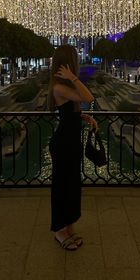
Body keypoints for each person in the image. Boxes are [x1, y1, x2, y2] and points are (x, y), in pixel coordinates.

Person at [47, 44, 97, 251]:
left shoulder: (63, 85)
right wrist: (73, 77)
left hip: (71, 141)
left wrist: (82, 117)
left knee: (72, 186)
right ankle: (60, 231)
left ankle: (70, 226)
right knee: (62, 187)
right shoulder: (59, 87)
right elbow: (89, 98)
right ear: (68, 63)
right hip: (63, 144)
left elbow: (69, 113)